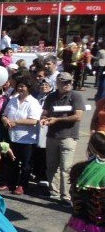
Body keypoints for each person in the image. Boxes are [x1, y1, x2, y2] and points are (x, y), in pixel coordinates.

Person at [41, 71, 85, 205]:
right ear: (58, 83)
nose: (68, 84)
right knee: (51, 166)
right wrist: (44, 119)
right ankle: (53, 192)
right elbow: (45, 113)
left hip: (68, 136)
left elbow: (78, 116)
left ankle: (65, 195)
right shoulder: (51, 97)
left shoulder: (76, 96)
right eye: (64, 82)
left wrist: (57, 120)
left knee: (66, 167)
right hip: (52, 136)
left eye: (69, 82)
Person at [0, 79, 42, 194]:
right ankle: (10, 183)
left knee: (26, 165)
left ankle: (22, 185)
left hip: (27, 139)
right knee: (11, 161)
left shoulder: (33, 102)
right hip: (12, 136)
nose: (20, 89)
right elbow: (4, 114)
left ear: (29, 88)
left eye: (23, 86)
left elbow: (34, 121)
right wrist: (5, 120)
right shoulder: (13, 100)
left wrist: (16, 122)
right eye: (19, 86)